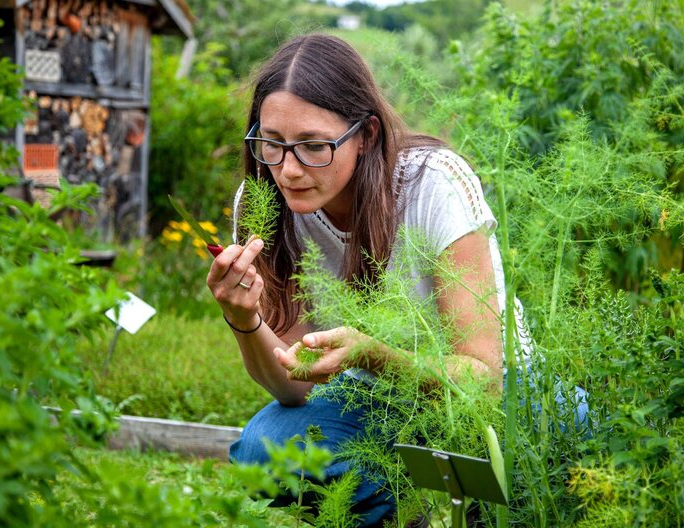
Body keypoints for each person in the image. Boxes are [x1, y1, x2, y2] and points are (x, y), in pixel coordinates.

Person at [206, 33, 529, 526]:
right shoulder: (261, 204)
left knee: (541, 471)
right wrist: (242, 316)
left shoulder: (433, 183)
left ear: (367, 135)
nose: (288, 170)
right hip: (374, 400)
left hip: (500, 395)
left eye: (313, 146)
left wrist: (373, 353)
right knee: (264, 448)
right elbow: (296, 389)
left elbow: (482, 379)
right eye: (271, 143)